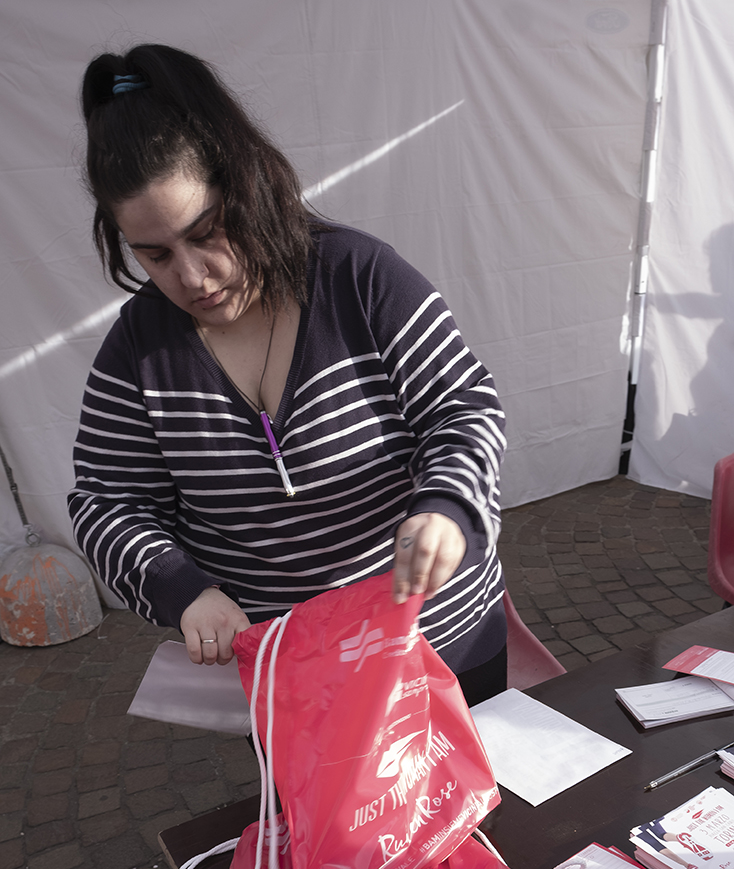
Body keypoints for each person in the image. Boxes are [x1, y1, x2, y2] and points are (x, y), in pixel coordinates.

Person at [69, 44, 508, 705]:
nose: (190, 277)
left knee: (481, 808)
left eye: (208, 233)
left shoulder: (359, 280)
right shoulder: (138, 349)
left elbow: (462, 408)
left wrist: (446, 505)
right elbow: (107, 499)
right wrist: (184, 588)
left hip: (439, 642)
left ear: (246, 186)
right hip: (295, 676)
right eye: (155, 255)